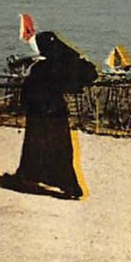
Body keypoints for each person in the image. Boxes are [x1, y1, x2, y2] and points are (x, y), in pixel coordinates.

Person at [13, 30, 99, 199]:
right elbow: (88, 74)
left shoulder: (41, 68)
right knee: (60, 148)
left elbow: (28, 91)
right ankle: (69, 186)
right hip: (57, 113)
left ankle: (29, 175)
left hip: (39, 113)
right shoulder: (64, 65)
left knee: (35, 146)